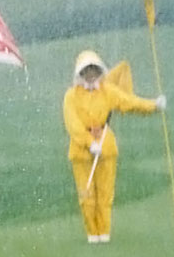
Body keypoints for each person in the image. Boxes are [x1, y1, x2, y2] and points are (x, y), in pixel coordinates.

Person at [63, 49, 166, 243]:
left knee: (105, 194)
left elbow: (130, 102)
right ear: (80, 73)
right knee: (87, 196)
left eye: (94, 70)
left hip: (105, 147)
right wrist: (89, 143)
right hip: (81, 151)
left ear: (99, 71)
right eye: (87, 71)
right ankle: (92, 235)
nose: (91, 74)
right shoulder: (71, 96)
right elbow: (73, 124)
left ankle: (104, 234)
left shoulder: (107, 91)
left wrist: (154, 105)